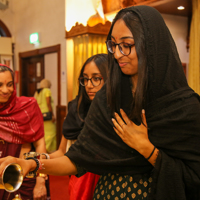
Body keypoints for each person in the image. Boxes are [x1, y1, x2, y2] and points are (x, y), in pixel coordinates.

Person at [0, 5, 200, 200]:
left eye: (127, 45)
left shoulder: (184, 108)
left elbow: (194, 177)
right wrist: (31, 164)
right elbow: (78, 159)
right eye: (114, 45)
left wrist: (147, 149)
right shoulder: (109, 98)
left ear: (151, 45)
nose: (118, 54)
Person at [50, 53, 108, 200]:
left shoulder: (115, 113)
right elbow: (63, 151)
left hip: (106, 182)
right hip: (79, 179)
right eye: (85, 79)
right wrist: (37, 160)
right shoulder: (75, 108)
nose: (89, 85)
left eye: (96, 79)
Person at [0, 64, 49, 200]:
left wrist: (41, 179)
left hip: (24, 178)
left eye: (10, 84)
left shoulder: (28, 107)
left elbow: (40, 145)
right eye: (0, 85)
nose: (5, 90)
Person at [34, 79, 57, 153]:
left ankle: (43, 149)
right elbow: (48, 103)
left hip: (39, 115)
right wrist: (52, 115)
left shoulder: (37, 92)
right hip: (47, 115)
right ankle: (47, 150)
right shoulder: (47, 91)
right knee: (52, 132)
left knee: (44, 133)